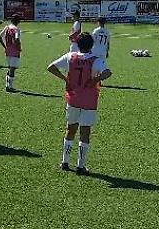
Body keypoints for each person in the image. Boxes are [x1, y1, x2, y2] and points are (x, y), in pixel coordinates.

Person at [48, 32, 112, 176]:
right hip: (89, 100)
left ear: (77, 44)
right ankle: (80, 166)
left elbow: (51, 67)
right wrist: (95, 80)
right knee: (85, 132)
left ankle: (65, 162)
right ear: (92, 45)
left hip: (73, 98)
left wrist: (65, 79)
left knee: (70, 129)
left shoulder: (70, 56)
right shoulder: (96, 60)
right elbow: (108, 73)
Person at [0, 14, 22, 92]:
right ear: (18, 21)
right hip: (14, 50)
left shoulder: (7, 27)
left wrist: (5, 46)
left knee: (10, 68)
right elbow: (17, 38)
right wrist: (18, 47)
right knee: (12, 69)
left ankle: (7, 85)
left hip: (8, 50)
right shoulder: (16, 29)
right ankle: (10, 87)